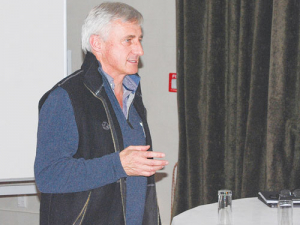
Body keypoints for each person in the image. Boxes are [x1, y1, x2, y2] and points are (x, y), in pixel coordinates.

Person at [34, 2, 168, 225]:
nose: (139, 50)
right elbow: (48, 175)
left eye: (139, 39)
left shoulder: (132, 92)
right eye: (128, 40)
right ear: (97, 43)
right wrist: (118, 165)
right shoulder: (65, 98)